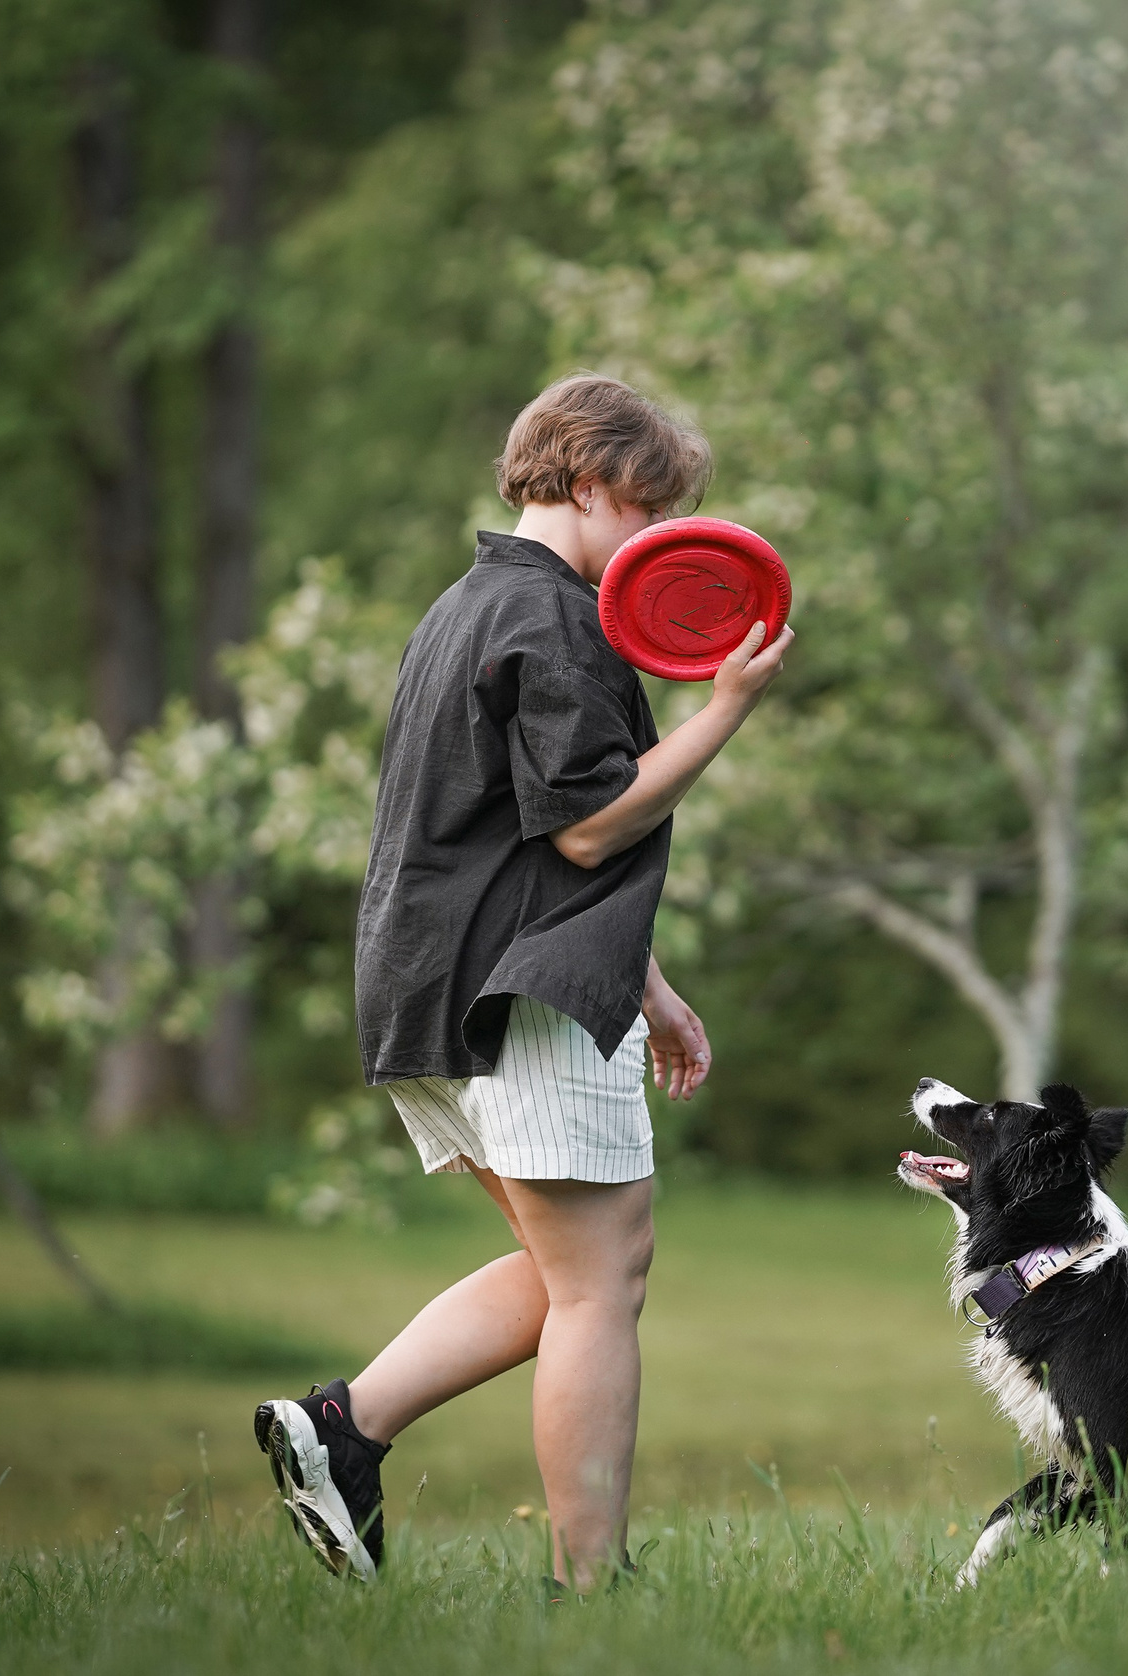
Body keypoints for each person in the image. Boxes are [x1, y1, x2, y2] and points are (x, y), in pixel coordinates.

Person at [254, 372, 792, 1594]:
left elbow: (507, 828)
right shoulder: (557, 622)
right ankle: (588, 1584)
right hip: (515, 996)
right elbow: (592, 826)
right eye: (651, 513)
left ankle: (340, 1429)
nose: (658, 543)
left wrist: (646, 982)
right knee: (603, 1280)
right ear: (594, 485)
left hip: (431, 979)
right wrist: (725, 712)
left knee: (577, 1266)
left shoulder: (465, 604)